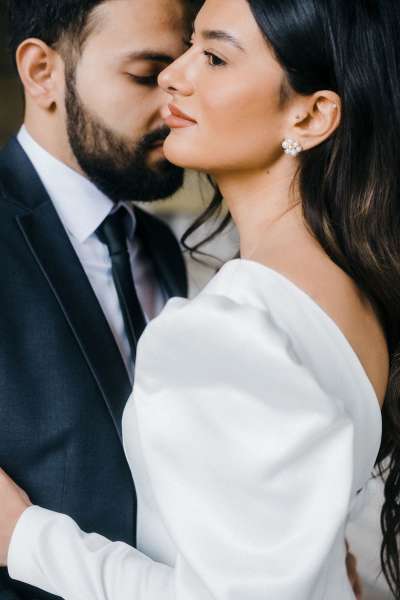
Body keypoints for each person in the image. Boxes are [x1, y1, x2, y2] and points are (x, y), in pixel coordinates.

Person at [0, 0, 396, 597]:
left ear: (312, 115)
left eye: (212, 56)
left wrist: (24, 538)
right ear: (39, 72)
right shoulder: (346, 296)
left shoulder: (227, 313)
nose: (172, 78)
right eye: (148, 69)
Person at [0, 0, 198, 598]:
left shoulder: (158, 246)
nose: (175, 108)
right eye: (146, 75)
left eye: (183, 76)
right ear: (42, 73)